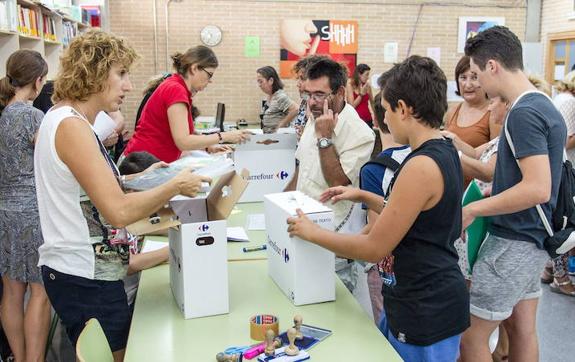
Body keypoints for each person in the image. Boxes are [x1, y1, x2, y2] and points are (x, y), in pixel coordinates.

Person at [34, 30, 210, 361]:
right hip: (86, 277)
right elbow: (118, 211)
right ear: (96, 72)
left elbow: (84, 186)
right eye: (122, 74)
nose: (128, 86)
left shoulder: (69, 119)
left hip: (86, 273)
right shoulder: (71, 126)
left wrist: (138, 177)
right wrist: (173, 186)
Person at [287, 55, 469, 361]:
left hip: (425, 306)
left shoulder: (421, 165)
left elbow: (372, 247)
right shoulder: (441, 149)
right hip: (411, 297)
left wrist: (311, 232)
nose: (382, 121)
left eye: (385, 110)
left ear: (404, 109)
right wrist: (366, 197)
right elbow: (418, 214)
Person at [460, 26, 566, 362]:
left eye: (477, 73)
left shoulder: (523, 112)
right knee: (522, 329)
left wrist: (476, 209)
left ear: (493, 66)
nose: (477, 83)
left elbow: (537, 187)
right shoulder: (544, 104)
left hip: (513, 240)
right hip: (533, 240)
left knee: (471, 337)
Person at [284, 57, 374, 293]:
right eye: (308, 94)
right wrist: (280, 203)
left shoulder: (360, 133)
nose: (312, 102)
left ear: (340, 92)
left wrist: (325, 138)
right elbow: (302, 169)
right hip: (302, 227)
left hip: (332, 242)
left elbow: (339, 185)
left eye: (319, 95)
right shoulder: (315, 118)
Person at [0, 49, 50, 362]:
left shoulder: (4, 113)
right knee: (40, 291)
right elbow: (50, 158)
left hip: (4, 211)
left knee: (12, 292)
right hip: (32, 211)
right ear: (38, 80)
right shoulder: (33, 115)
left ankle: (18, 358)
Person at [123, 45, 251, 163]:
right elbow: (183, 141)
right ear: (194, 68)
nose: (209, 81)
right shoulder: (176, 89)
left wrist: (208, 146)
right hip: (141, 165)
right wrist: (223, 136)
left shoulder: (178, 86)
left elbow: (186, 132)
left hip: (148, 161)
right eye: (209, 75)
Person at [359, 83, 410, 325]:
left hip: (386, 268)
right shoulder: (424, 156)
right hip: (417, 263)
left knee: (386, 323)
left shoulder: (373, 169)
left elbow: (376, 227)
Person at [445, 56, 501, 185]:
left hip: (478, 190)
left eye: (474, 78)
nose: (468, 84)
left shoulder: (494, 113)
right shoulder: (452, 112)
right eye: (463, 78)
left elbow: (494, 158)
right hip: (452, 186)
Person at [257, 66, 298, 133]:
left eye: (261, 81)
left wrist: (280, 126)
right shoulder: (270, 96)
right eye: (258, 82)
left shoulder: (279, 96)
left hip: (278, 138)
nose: (259, 85)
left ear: (271, 81)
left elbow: (295, 109)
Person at [346, 63, 374, 128]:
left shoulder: (367, 85)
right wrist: (361, 94)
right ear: (359, 74)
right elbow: (352, 106)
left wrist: (376, 117)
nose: (368, 77)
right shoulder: (350, 84)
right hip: (355, 120)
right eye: (366, 74)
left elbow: (372, 102)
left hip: (368, 120)